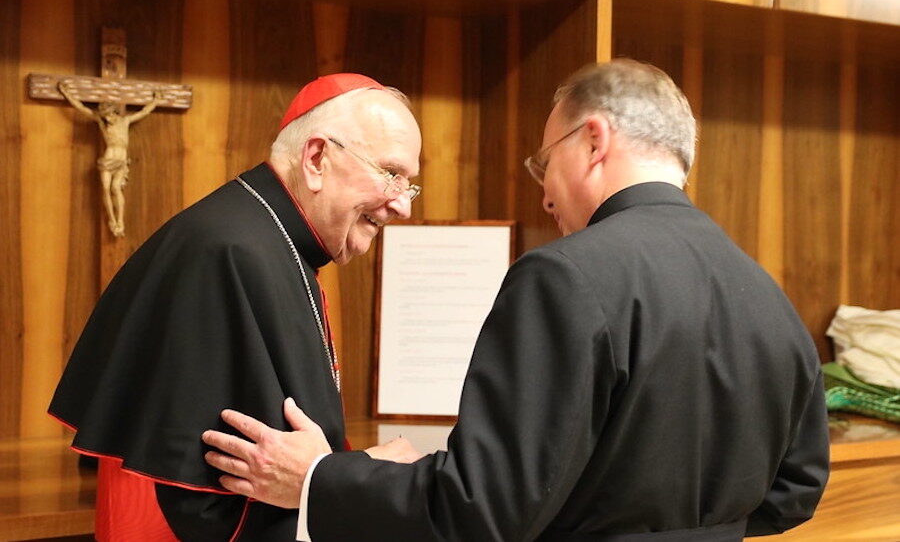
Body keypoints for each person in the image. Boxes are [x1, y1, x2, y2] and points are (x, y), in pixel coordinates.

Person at [202, 59, 830, 541]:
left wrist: (317, 478)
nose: (545, 194)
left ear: (593, 140)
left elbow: (481, 508)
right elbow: (797, 487)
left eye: (544, 162)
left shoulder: (566, 275)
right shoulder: (763, 288)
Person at [49, 73, 423, 541]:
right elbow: (221, 502)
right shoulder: (230, 254)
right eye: (391, 174)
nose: (402, 205)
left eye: (410, 184)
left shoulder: (267, 243)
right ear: (316, 158)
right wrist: (365, 476)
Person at [58, 80, 163, 236]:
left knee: (115, 188)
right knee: (106, 189)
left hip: (120, 158)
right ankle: (112, 220)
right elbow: (81, 108)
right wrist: (67, 93)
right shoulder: (102, 123)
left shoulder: (125, 121)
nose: (107, 119)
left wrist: (156, 100)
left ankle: (120, 220)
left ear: (114, 112)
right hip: (108, 157)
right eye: (104, 116)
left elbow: (143, 112)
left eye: (108, 115)